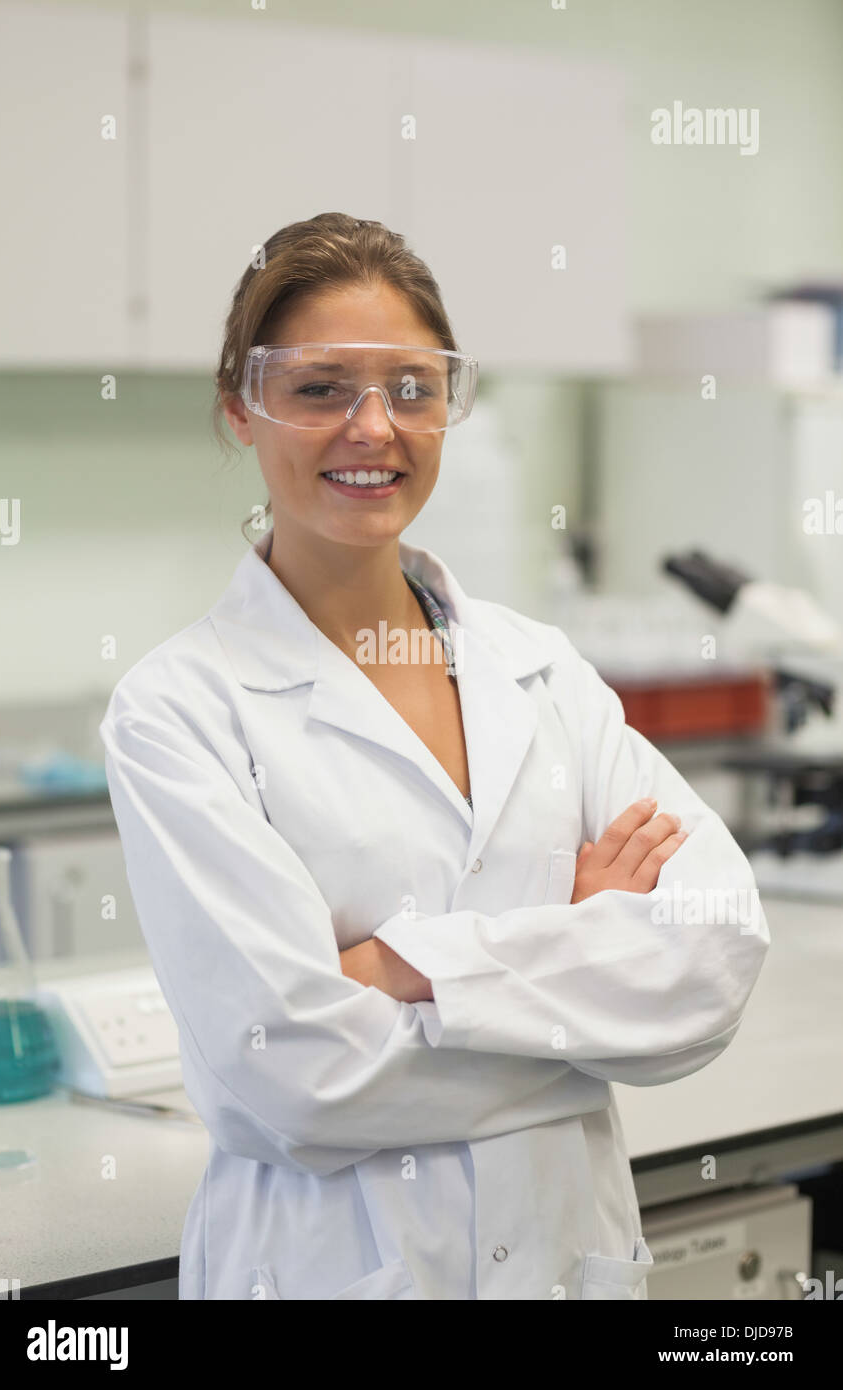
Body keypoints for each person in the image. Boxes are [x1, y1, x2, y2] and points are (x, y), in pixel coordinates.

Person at [99, 212, 770, 1300]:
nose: (375, 427)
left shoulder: (540, 669)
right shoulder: (179, 711)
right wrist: (579, 980)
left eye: (412, 388)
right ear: (242, 408)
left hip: (565, 1263)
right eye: (320, 388)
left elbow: (715, 954)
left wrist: (395, 966)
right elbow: (296, 1077)